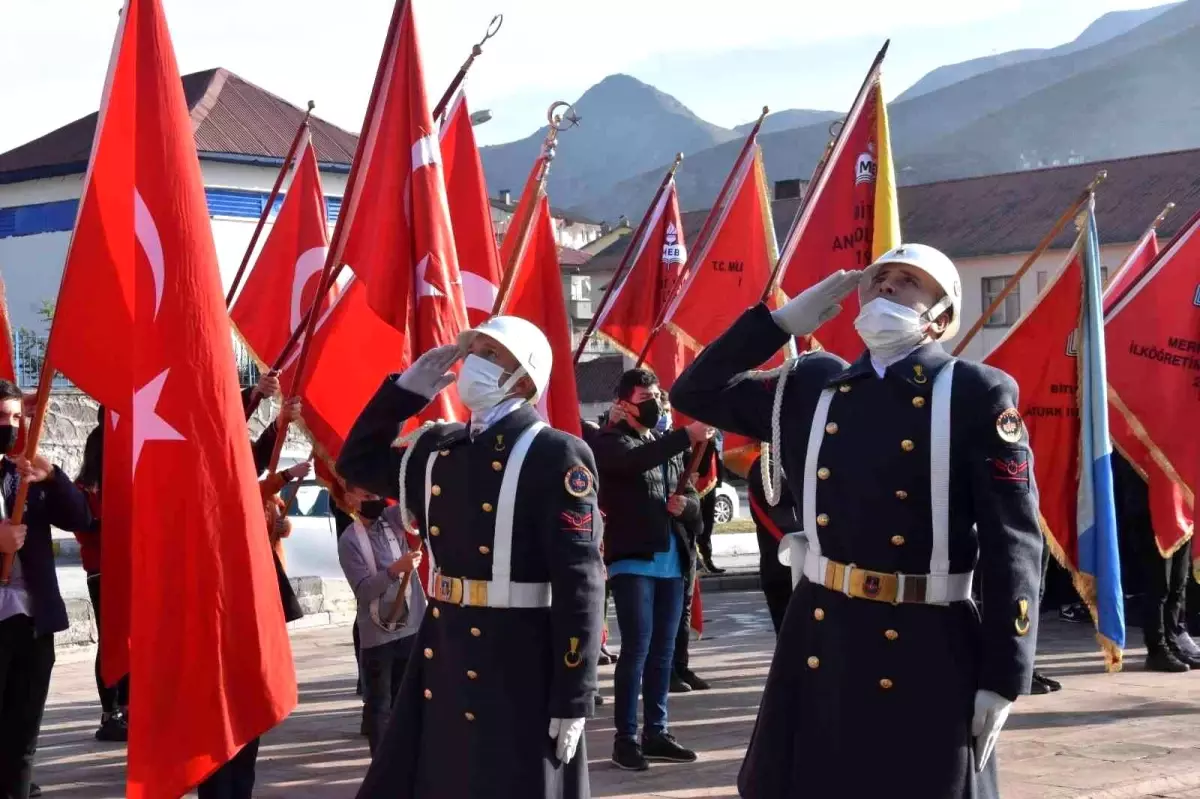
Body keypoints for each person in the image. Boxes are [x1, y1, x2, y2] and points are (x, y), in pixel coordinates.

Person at [671, 244, 1044, 798]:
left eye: (908, 281)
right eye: (879, 278)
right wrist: (778, 323)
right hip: (823, 627)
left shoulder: (973, 392)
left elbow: (1012, 540)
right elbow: (694, 391)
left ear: (941, 316)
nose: (887, 287)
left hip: (925, 636)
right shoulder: (811, 384)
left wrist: (1005, 674)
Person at [337, 316, 604, 799]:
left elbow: (580, 581)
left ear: (522, 379)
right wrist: (403, 394)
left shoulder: (556, 454)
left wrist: (574, 693)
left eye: (490, 353)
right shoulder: (441, 450)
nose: (473, 362)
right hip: (446, 648)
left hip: (518, 659)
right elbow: (355, 464)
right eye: (473, 350)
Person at [591, 368, 711, 772]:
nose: (656, 403)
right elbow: (631, 463)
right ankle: (625, 738)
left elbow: (692, 503)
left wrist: (687, 507)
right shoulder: (609, 442)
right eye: (646, 396)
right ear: (623, 404)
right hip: (633, 560)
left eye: (658, 395)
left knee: (663, 653)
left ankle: (656, 732)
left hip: (673, 560)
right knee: (637, 649)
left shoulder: (666, 445)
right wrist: (686, 435)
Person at [0, 379, 94, 799]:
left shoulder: (23, 471)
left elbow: (81, 518)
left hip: (33, 622)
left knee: (23, 738)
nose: (12, 425)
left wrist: (52, 476)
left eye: (17, 417)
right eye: (3, 417)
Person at [337, 490, 426, 754]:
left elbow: (413, 509)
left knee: (407, 701)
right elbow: (364, 591)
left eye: (375, 491)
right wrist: (395, 569)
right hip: (378, 637)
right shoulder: (350, 540)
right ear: (351, 499)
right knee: (379, 706)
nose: (373, 497)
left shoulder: (389, 520)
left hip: (411, 627)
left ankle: (407, 760)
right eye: (365, 493)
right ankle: (382, 765)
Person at [73, 407, 131, 743]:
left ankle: (129, 705)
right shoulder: (87, 487)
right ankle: (111, 712)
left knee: (132, 640)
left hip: (128, 566)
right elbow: (84, 529)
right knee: (112, 641)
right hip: (103, 570)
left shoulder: (128, 474)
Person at [1113, 454, 1200, 671]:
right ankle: (1157, 648)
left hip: (1180, 511)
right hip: (1150, 513)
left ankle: (1172, 643)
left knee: (1178, 584)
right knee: (1159, 586)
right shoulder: (1136, 431)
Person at [745, 455, 799, 635]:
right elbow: (783, 494)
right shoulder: (763, 465)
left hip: (804, 566)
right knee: (789, 638)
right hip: (780, 567)